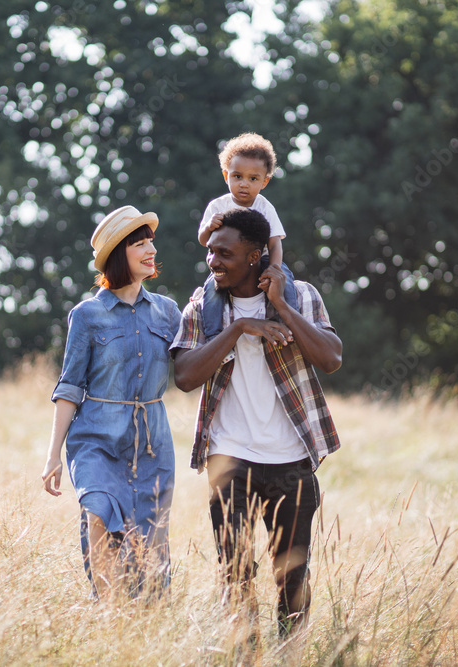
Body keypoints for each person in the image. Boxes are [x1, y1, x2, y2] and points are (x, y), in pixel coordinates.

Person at [172, 207, 342, 640]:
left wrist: (280, 307)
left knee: (293, 577)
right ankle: (244, 655)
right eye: (210, 252)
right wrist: (239, 329)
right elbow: (185, 376)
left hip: (291, 461)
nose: (213, 261)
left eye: (224, 253)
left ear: (254, 256)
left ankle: (290, 655)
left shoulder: (301, 295)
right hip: (229, 459)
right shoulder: (203, 305)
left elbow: (331, 358)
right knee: (235, 575)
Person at [42, 205, 181, 602]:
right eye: (140, 244)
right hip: (96, 440)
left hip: (151, 444)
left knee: (148, 539)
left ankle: (144, 614)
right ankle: (106, 608)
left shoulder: (168, 312)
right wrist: (53, 456)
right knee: (98, 511)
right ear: (119, 254)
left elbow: (195, 364)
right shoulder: (87, 315)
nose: (151, 250)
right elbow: (70, 387)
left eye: (151, 241)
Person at [197, 132, 299, 340]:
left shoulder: (265, 206)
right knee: (211, 291)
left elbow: (274, 243)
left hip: (262, 258)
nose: (244, 184)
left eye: (253, 179)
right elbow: (203, 240)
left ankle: (288, 324)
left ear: (264, 182)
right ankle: (213, 335)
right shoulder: (218, 206)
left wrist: (274, 268)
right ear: (226, 176)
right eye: (237, 176)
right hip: (227, 263)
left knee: (286, 282)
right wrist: (208, 227)